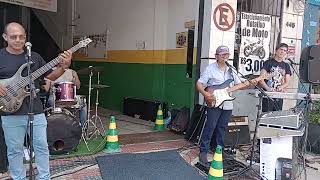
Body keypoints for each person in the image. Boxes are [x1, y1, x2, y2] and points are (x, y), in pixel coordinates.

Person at [0, 22, 72, 180]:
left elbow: (47, 78)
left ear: (25, 38)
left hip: (36, 111)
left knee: (41, 147)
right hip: (9, 110)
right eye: (13, 37)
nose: (18, 40)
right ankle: (18, 178)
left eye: (21, 36)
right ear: (5, 37)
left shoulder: (34, 57)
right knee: (14, 149)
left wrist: (64, 67)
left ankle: (44, 177)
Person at [196, 46, 242, 167]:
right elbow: (199, 83)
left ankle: (219, 150)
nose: (224, 57)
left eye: (226, 54)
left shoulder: (232, 69)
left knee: (222, 128)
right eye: (222, 55)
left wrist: (251, 83)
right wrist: (206, 94)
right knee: (210, 127)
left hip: (227, 104)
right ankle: (203, 151)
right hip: (214, 102)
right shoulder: (210, 69)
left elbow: (239, 84)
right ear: (216, 56)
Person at [259, 43, 292, 112]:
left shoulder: (286, 65)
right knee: (266, 116)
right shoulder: (268, 63)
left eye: (285, 50)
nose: (282, 52)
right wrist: (268, 89)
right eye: (281, 49)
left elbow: (287, 82)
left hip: (279, 95)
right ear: (276, 51)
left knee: (276, 117)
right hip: (268, 95)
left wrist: (281, 87)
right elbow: (261, 79)